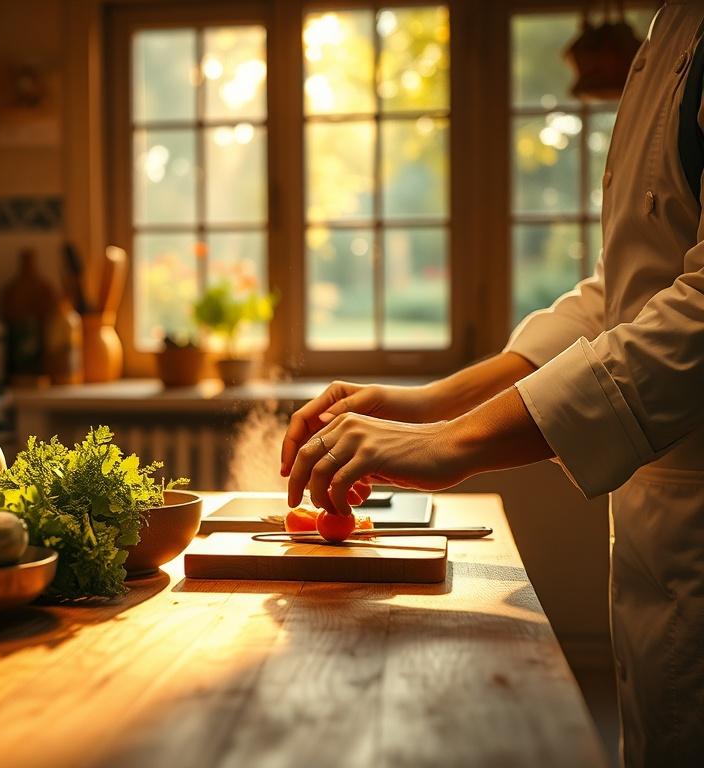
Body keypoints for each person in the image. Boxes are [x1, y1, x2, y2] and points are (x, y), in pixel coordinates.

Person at [281, 6, 704, 766]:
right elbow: (619, 299)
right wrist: (421, 405)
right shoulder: (672, 27)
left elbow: (692, 319)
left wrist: (452, 443)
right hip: (662, 524)